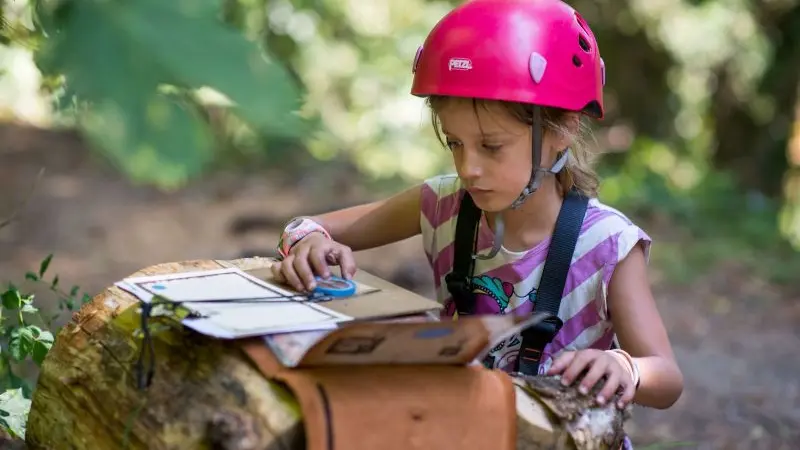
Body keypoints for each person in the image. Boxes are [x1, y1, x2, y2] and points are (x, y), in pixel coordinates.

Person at [271, 0, 683, 441]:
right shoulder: (443, 202)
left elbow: (666, 379)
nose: (469, 168)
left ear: (561, 128)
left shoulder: (607, 245)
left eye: (491, 146)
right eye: (455, 143)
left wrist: (625, 367)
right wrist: (309, 241)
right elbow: (308, 225)